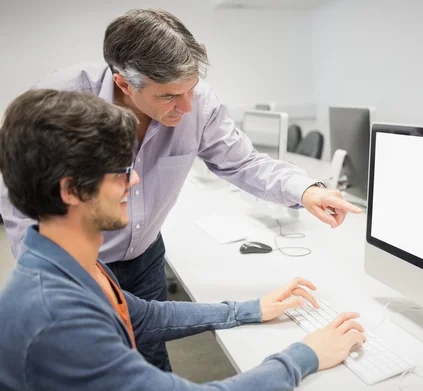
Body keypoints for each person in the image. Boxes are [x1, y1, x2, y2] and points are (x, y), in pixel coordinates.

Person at [0, 8, 362, 371]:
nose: (187, 107)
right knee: (91, 368)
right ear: (125, 84)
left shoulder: (196, 101)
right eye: (171, 96)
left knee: (152, 360)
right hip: (80, 264)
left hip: (143, 255)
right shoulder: (64, 100)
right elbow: (20, 196)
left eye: (191, 89)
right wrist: (48, 276)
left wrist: (304, 190)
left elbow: (243, 162)